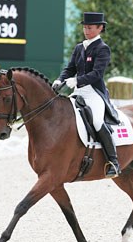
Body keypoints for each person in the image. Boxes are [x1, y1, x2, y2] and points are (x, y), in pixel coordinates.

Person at [52, 12, 121, 178]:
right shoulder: (79, 47)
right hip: (79, 92)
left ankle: (114, 162)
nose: (86, 30)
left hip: (94, 93)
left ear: (100, 28)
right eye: (85, 27)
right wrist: (59, 79)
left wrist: (77, 80)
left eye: (90, 27)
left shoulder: (102, 49)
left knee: (97, 121)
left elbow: (97, 73)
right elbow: (70, 69)